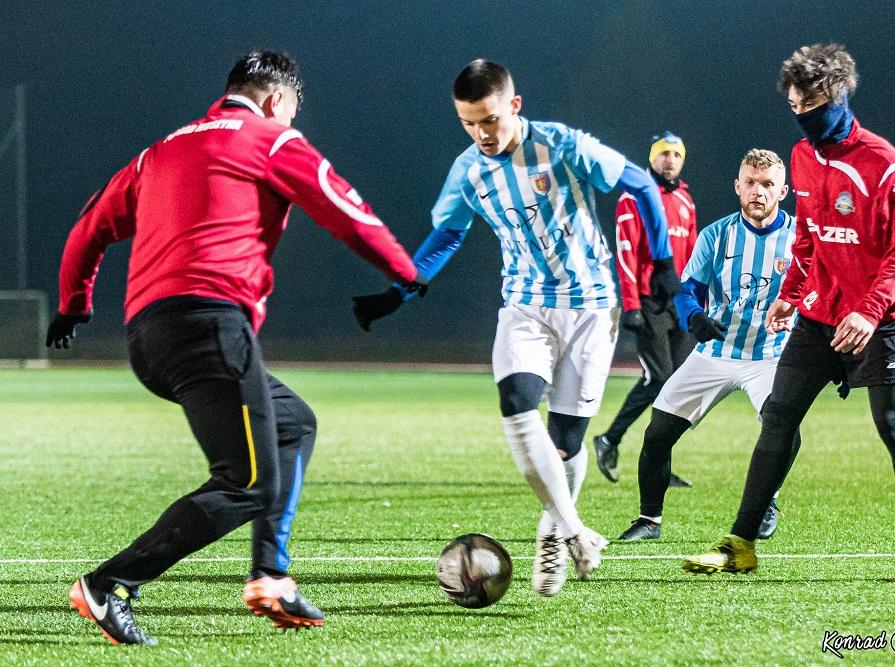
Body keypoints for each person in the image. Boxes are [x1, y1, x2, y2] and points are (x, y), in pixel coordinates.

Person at [47, 51, 425, 645]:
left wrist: (74, 303)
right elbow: (342, 205)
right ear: (277, 100)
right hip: (209, 328)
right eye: (292, 111)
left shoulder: (160, 150)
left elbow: (88, 226)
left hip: (149, 336)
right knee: (246, 481)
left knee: (292, 423)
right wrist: (405, 271)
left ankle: (271, 575)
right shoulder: (269, 140)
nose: (292, 123)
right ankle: (111, 583)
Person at [352, 59, 682, 596]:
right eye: (468, 123)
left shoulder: (562, 145)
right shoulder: (467, 170)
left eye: (489, 120)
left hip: (592, 308)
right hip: (525, 305)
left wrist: (664, 263)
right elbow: (448, 234)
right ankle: (576, 530)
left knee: (568, 441)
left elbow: (641, 183)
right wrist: (401, 289)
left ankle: (554, 531)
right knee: (516, 400)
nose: (481, 134)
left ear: (515, 106)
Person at [683, 43, 895, 584]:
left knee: (893, 427)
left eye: (813, 105)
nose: (804, 116)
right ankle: (742, 542)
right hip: (820, 315)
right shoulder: (802, 158)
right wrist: (791, 290)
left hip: (884, 319)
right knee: (778, 416)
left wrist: (871, 312)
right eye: (794, 106)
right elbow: (807, 237)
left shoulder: (885, 165)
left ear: (840, 95)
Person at [618, 149, 797, 542]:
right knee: (657, 433)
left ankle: (767, 499)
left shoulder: (800, 238)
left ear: (783, 191)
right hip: (714, 353)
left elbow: (822, 290)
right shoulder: (716, 235)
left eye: (767, 185)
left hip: (770, 356)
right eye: (750, 182)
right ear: (738, 186)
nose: (758, 192)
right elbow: (687, 293)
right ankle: (650, 519)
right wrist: (693, 317)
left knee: (784, 426)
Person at [592, 131, 698, 486]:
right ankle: (611, 441)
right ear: (652, 159)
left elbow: (693, 257)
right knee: (661, 379)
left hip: (677, 306)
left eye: (676, 154)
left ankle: (646, 459)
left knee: (677, 385)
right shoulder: (633, 198)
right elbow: (626, 254)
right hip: (649, 303)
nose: (670, 160)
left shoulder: (686, 200)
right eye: (663, 154)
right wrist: (631, 304)